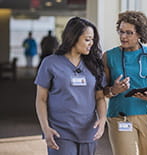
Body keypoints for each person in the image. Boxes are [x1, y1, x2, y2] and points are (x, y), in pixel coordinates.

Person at [35, 17, 107, 155]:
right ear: (73, 38)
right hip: (60, 131)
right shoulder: (50, 63)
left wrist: (102, 120)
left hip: (88, 131)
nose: (91, 44)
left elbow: (99, 98)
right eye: (87, 39)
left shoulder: (94, 65)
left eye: (92, 40)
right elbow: (41, 99)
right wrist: (45, 128)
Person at [103, 11, 147, 155]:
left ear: (140, 34)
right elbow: (102, 90)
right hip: (119, 115)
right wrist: (114, 90)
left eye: (129, 33)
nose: (123, 36)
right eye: (121, 31)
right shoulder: (108, 56)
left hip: (146, 115)